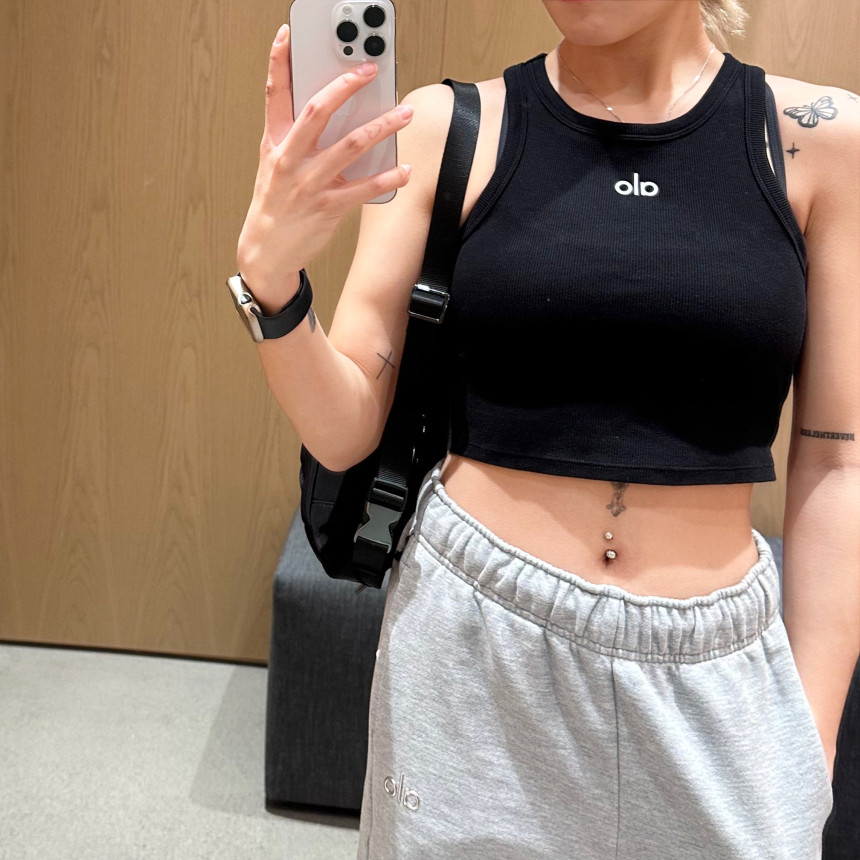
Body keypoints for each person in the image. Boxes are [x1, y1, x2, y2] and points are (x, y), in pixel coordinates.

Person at [233, 1, 859, 856]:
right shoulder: (446, 129)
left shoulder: (820, 141)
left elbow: (837, 462)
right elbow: (344, 432)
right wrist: (272, 282)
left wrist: (811, 736)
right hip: (473, 648)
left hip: (717, 672)